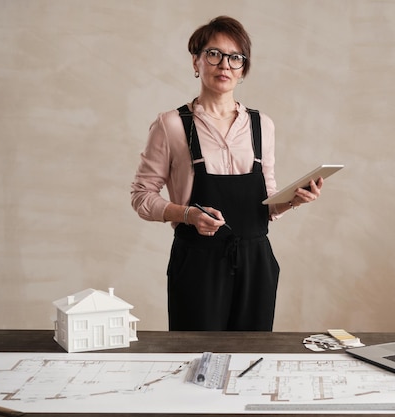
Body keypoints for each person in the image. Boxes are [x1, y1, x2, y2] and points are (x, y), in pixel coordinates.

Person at [130, 16, 323, 331]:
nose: (225, 65)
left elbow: (268, 203)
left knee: (251, 361)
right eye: (214, 54)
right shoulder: (172, 125)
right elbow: (141, 197)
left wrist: (294, 200)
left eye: (235, 58)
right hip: (197, 262)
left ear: (243, 69)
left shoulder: (263, 125)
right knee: (195, 361)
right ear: (197, 60)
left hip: (257, 261)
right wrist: (188, 214)